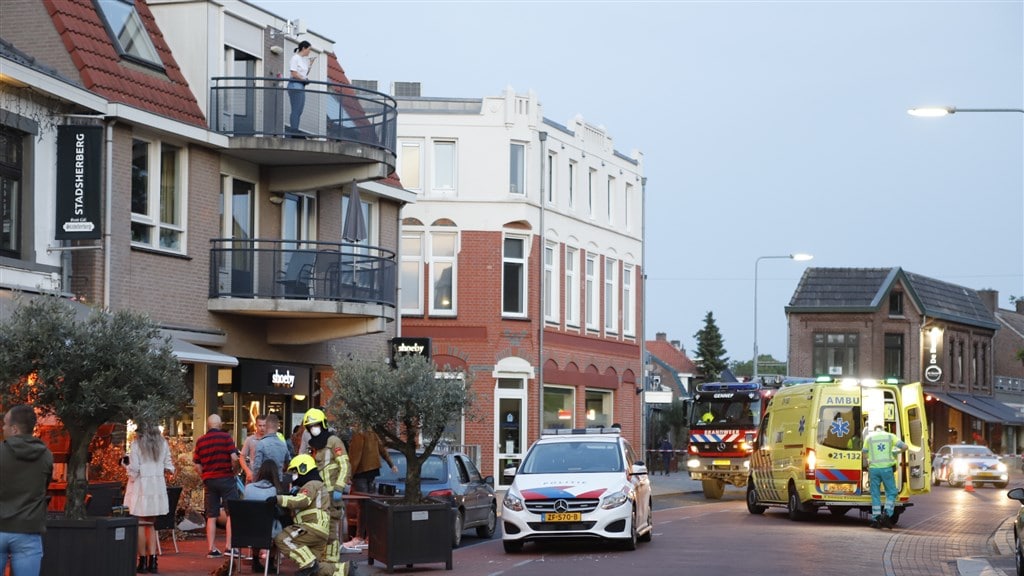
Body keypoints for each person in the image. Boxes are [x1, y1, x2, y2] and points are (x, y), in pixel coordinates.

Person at [275, 455, 357, 576]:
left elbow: (302, 500)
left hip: (311, 527)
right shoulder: (317, 485)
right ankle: (346, 569)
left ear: (303, 468)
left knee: (283, 538)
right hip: (320, 531)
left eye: (295, 471)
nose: (293, 476)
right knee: (315, 569)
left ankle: (309, 565)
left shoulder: (311, 484)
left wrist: (278, 499)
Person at [0, 405, 54, 576]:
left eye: (5, 424)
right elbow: (44, 487)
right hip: (28, 529)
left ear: (14, 429)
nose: (2, 428)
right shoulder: (46, 455)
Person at [126, 422, 174, 574]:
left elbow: (133, 471)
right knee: (151, 525)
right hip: (157, 487)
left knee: (141, 524)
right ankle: (153, 560)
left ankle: (142, 561)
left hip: (142, 487)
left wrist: (125, 466)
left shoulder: (137, 445)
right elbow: (169, 465)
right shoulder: (163, 444)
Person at [303, 408, 350, 563]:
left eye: (315, 425)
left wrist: (339, 487)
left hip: (331, 494)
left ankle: (331, 563)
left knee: (330, 531)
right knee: (318, 530)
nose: (313, 429)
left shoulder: (334, 442)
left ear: (322, 424)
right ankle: (321, 562)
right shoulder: (314, 445)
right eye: (310, 426)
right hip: (317, 495)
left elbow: (344, 465)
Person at [193, 414, 240, 558]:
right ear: (220, 425)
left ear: (208, 425)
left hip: (210, 480)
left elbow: (196, 464)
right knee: (231, 513)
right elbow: (234, 458)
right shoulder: (226, 438)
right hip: (226, 478)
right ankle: (229, 546)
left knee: (211, 515)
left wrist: (204, 475)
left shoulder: (200, 441)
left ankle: (211, 548)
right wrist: (235, 470)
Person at [862, 424, 908, 529]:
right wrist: (895, 452)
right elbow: (905, 447)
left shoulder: (869, 437)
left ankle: (876, 519)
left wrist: (869, 461)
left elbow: (864, 452)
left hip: (873, 469)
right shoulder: (890, 436)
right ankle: (887, 514)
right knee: (892, 492)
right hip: (887, 469)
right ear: (884, 429)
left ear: (874, 429)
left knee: (875, 494)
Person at [244, 460, 285, 573]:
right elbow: (278, 512)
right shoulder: (274, 491)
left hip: (248, 530)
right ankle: (271, 562)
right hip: (267, 530)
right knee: (279, 527)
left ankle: (255, 561)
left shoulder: (248, 488)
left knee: (256, 524)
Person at [348, 426, 396, 495]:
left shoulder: (358, 435)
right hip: (373, 469)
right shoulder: (373, 434)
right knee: (370, 497)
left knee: (363, 497)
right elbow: (382, 450)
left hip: (360, 471)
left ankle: (366, 505)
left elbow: (356, 456)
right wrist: (391, 464)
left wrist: (350, 474)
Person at [254, 413, 292, 484]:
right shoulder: (283, 444)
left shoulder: (261, 444)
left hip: (263, 482)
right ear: (277, 427)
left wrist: (255, 482)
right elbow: (288, 462)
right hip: (278, 480)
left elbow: (257, 467)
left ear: (266, 426)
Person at [288, 41, 315, 135]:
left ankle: (295, 128)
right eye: (309, 49)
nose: (309, 52)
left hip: (301, 85)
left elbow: (304, 74)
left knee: (299, 109)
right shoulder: (295, 58)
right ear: (304, 48)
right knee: (296, 109)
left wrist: (310, 65)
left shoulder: (302, 60)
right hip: (295, 85)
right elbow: (293, 73)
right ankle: (293, 130)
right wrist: (304, 80)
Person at [240, 414, 267, 484]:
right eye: (260, 425)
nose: (262, 428)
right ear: (256, 425)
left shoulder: (270, 440)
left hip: (267, 477)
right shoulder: (250, 440)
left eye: (264, 425)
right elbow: (242, 457)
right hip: (252, 477)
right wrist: (247, 471)